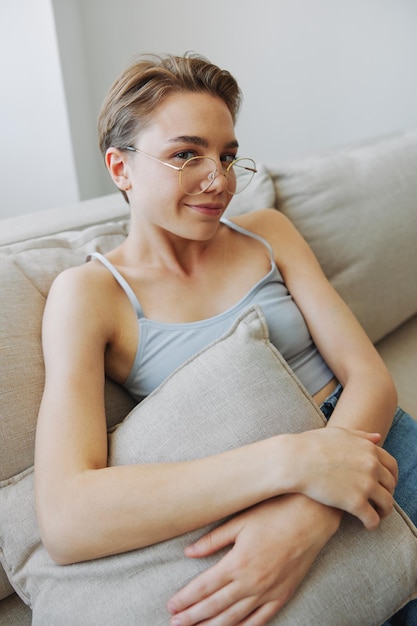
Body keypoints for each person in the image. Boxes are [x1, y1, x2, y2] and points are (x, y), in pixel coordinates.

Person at [34, 53, 417, 626]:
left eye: (228, 156)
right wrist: (293, 462)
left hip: (376, 446)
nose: (220, 180)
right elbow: (67, 519)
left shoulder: (266, 233)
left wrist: (305, 517)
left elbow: (369, 378)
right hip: (251, 496)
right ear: (120, 168)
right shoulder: (89, 295)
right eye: (186, 154)